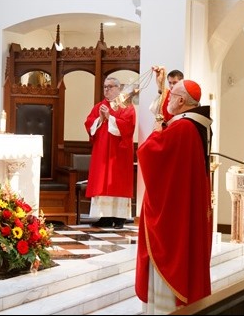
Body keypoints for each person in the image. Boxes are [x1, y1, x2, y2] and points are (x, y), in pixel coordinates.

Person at [135, 79, 213, 314]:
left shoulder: (182, 128)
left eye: (172, 95)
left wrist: (158, 128)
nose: (168, 99)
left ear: (181, 101)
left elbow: (149, 152)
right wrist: (161, 93)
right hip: (185, 202)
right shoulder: (195, 125)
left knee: (170, 252)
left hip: (172, 210)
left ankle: (164, 308)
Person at [84, 76, 136, 228]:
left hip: (118, 153)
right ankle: (104, 217)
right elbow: (89, 124)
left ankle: (119, 218)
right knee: (102, 182)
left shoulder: (126, 106)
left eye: (111, 86)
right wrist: (99, 119)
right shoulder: (99, 106)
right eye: (105, 86)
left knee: (117, 182)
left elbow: (128, 127)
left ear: (118, 88)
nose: (107, 89)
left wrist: (110, 117)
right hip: (102, 152)